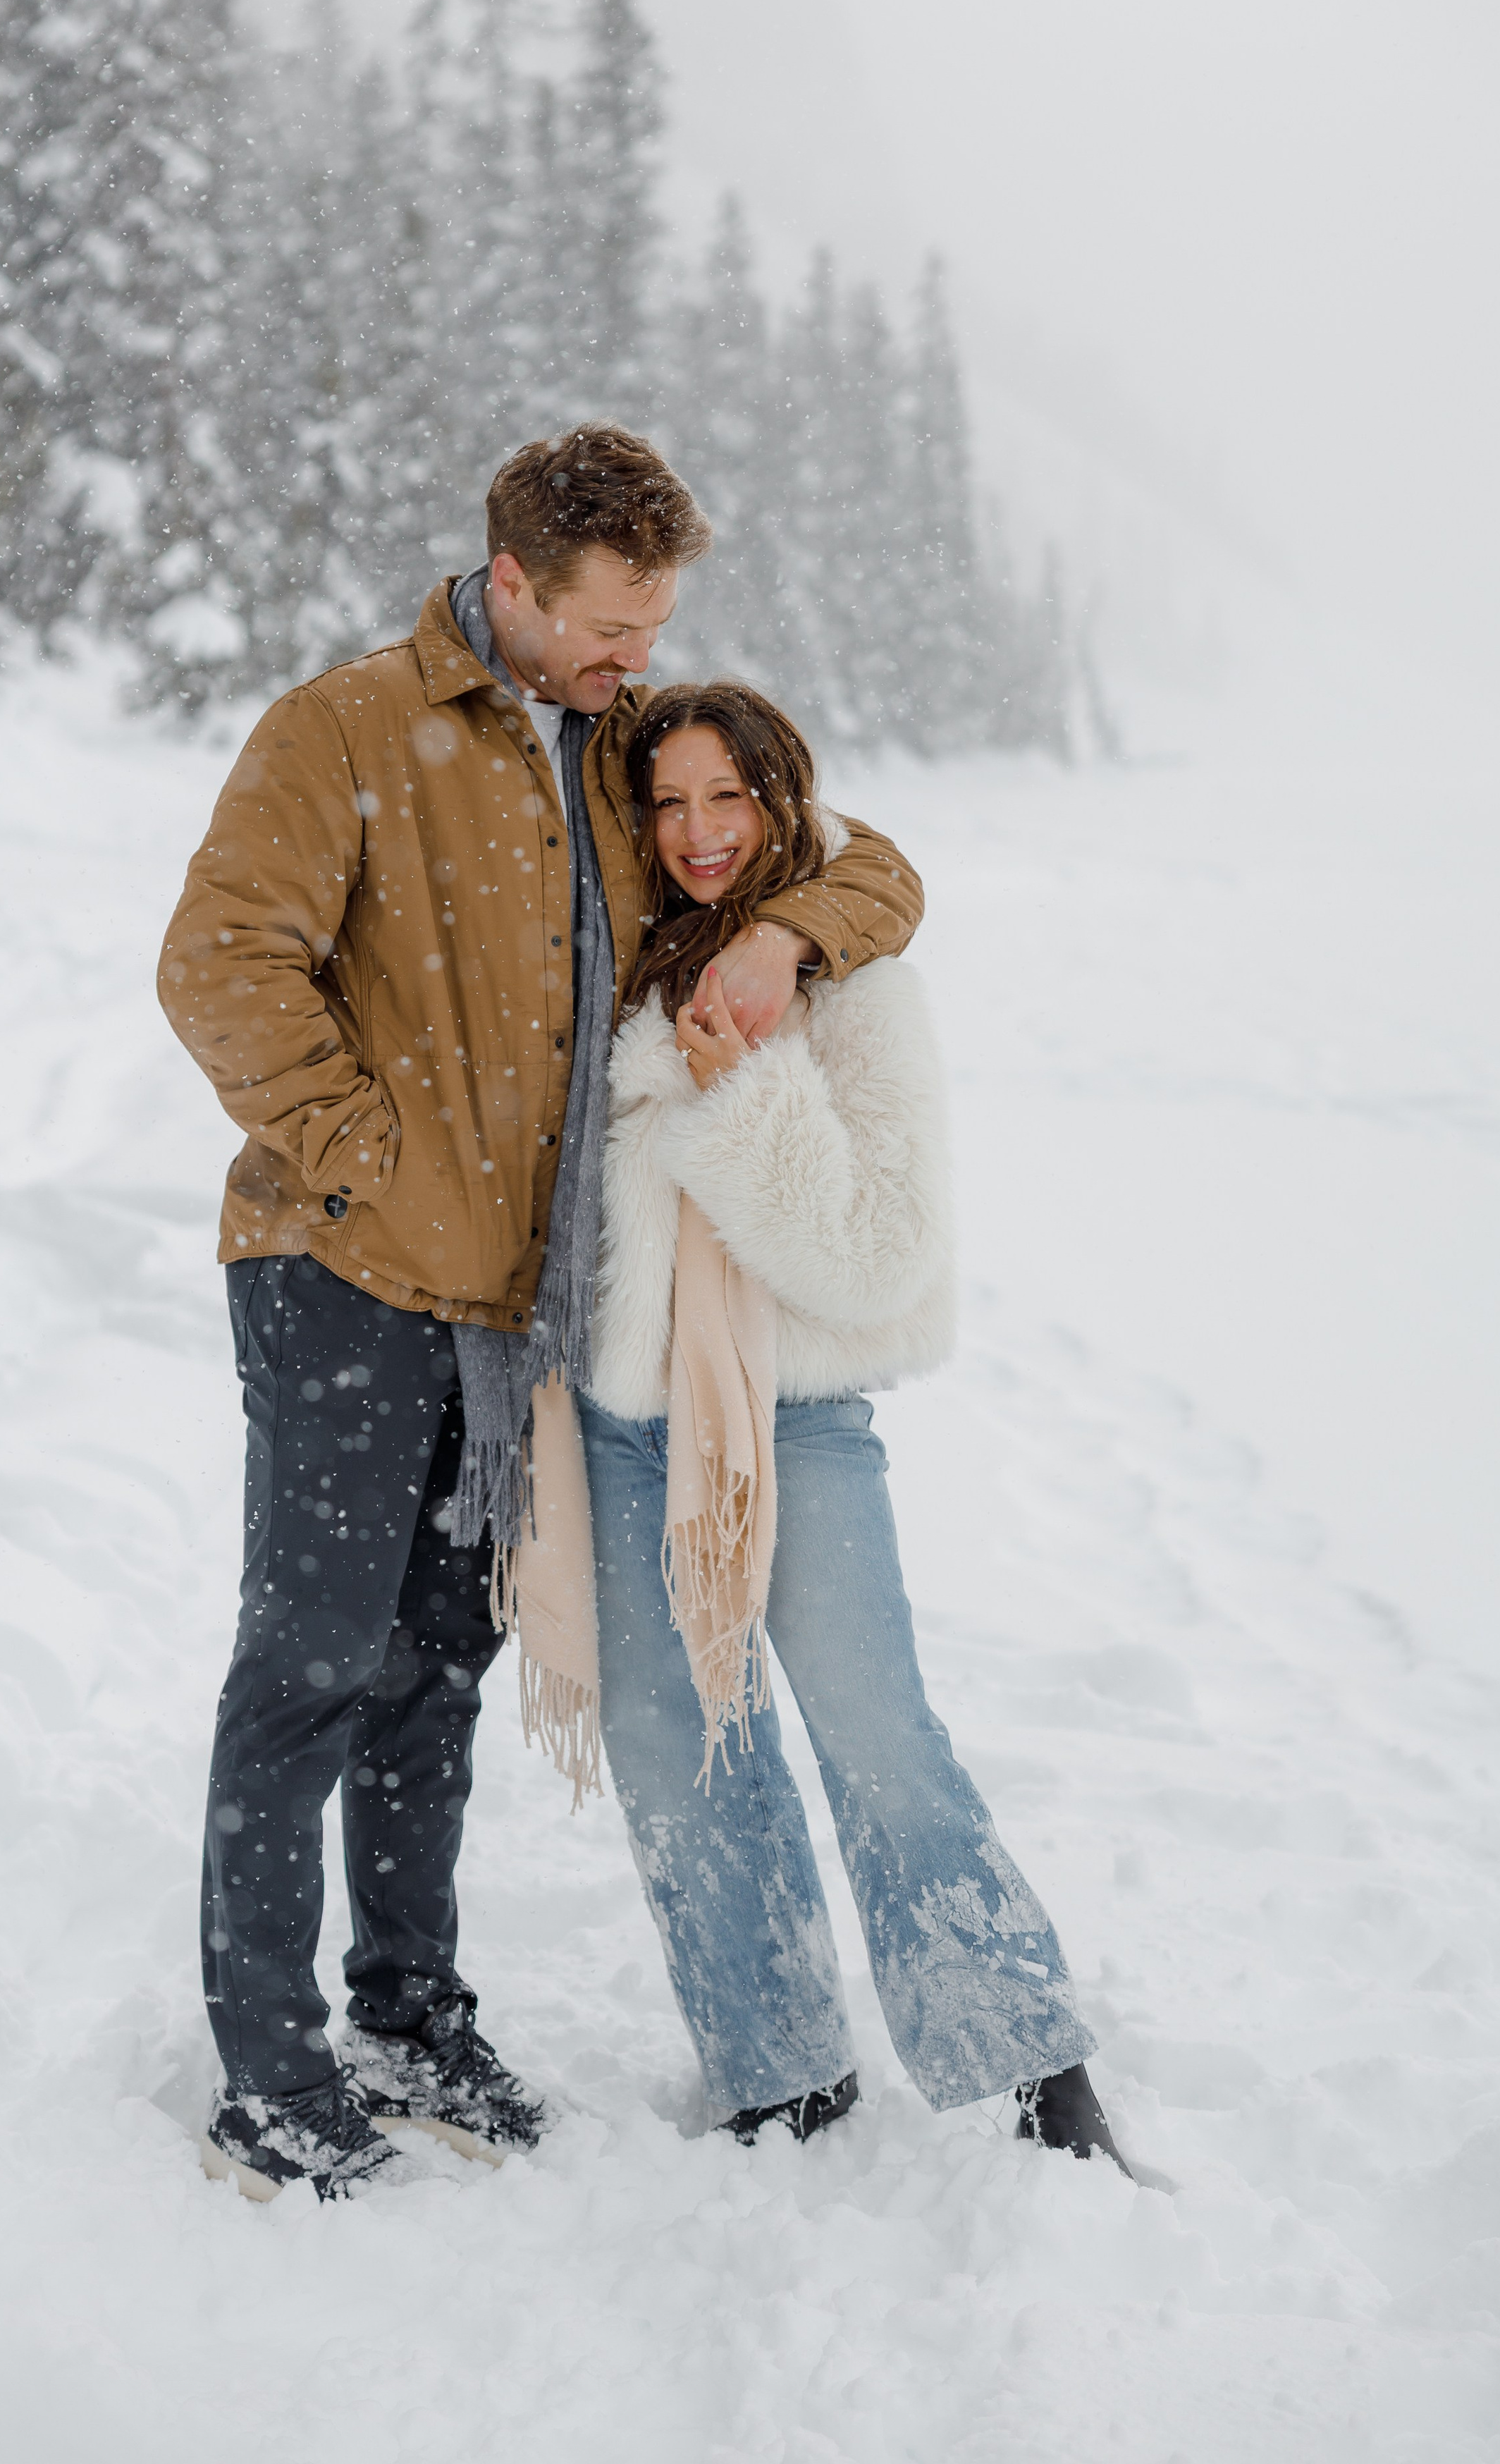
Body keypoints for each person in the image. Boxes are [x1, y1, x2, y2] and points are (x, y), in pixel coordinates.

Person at [156, 425, 924, 2199]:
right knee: (309, 1667)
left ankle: (407, 2018)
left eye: (655, 628)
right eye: (608, 626)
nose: (636, 660)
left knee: (436, 1670)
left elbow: (865, 865)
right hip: (341, 1277)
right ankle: (267, 2081)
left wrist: (775, 944)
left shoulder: (620, 760)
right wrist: (365, 1156)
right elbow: (219, 961)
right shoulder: (346, 727)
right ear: (512, 581)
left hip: (510, 1317)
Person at [509, 682, 1129, 2169]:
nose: (698, 833)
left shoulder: (847, 980)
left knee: (874, 1735)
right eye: (666, 802)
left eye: (727, 798)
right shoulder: (605, 961)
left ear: (780, 799)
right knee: (675, 1760)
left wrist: (745, 1101)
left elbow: (877, 1258)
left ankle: (1024, 2061)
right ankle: (773, 2067)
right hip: (615, 1424)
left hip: (791, 1425)